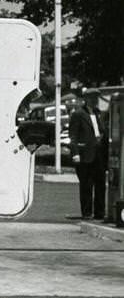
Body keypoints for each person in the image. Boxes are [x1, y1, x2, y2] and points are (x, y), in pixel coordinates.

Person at [67, 89, 108, 220]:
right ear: (86, 99)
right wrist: (75, 154)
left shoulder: (98, 114)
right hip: (85, 153)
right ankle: (87, 212)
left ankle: (100, 212)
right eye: (92, 98)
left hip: (99, 154)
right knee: (86, 185)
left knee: (101, 184)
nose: (95, 100)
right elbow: (72, 135)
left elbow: (103, 131)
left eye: (96, 98)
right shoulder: (78, 114)